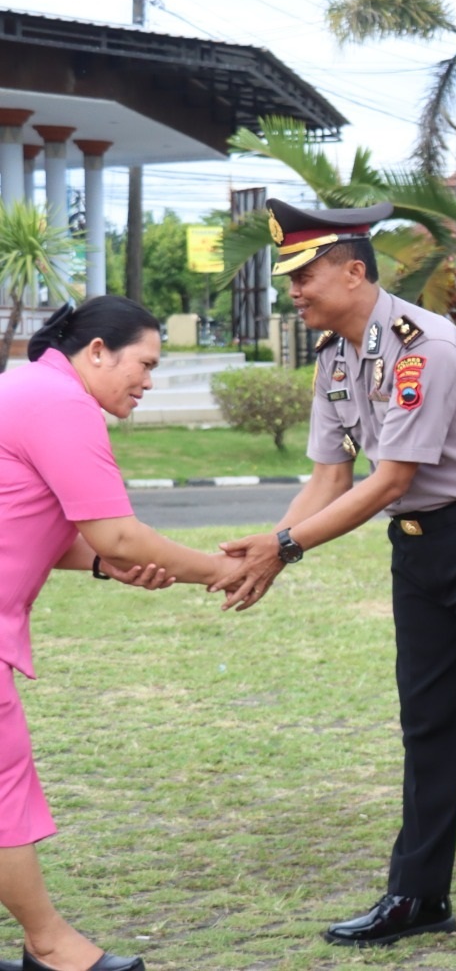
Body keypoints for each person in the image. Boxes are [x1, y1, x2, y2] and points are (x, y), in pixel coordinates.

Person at [216, 200, 456, 947]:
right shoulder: (335, 357)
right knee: (428, 725)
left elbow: (391, 477)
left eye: (304, 276)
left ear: (353, 272)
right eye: (290, 279)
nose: (293, 292)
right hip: (419, 549)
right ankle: (419, 896)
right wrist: (270, 549)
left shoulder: (424, 347)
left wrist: (285, 547)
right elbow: (330, 478)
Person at [1, 297, 252, 971]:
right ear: (97, 352)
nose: (148, 381)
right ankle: (50, 946)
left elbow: (35, 523)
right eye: (145, 363)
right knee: (2, 790)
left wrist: (104, 565)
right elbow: (118, 534)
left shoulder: (26, 389)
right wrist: (223, 570)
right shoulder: (62, 403)